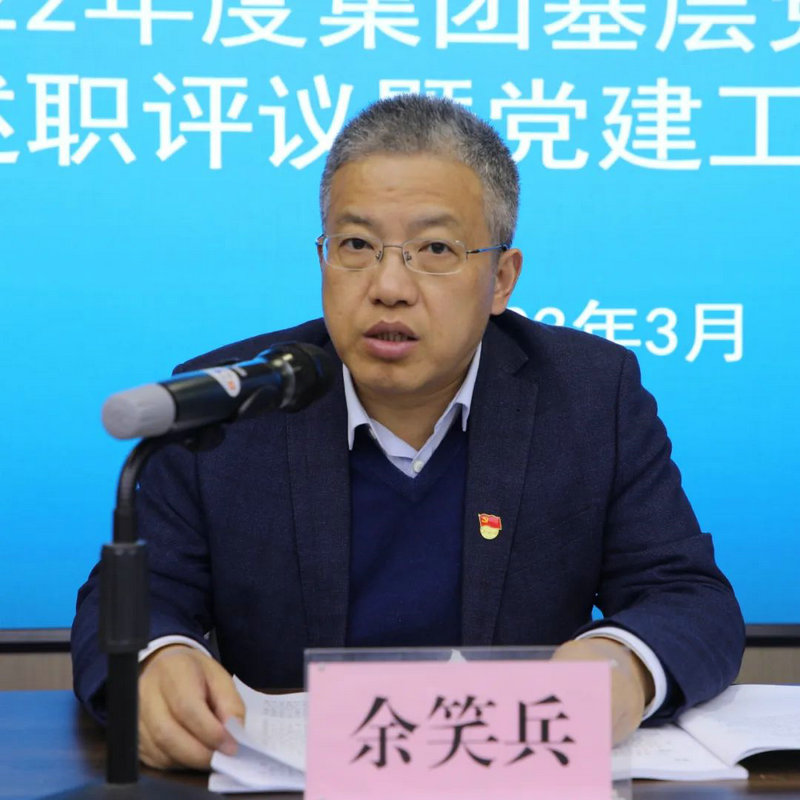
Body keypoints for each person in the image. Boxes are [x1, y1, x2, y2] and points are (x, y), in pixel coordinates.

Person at [72, 94, 745, 771]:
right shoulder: (237, 403)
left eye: (435, 249)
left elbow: (689, 597)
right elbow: (129, 603)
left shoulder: (591, 395)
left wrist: (623, 663)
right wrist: (156, 660)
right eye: (356, 245)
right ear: (323, 257)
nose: (389, 286)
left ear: (501, 279)